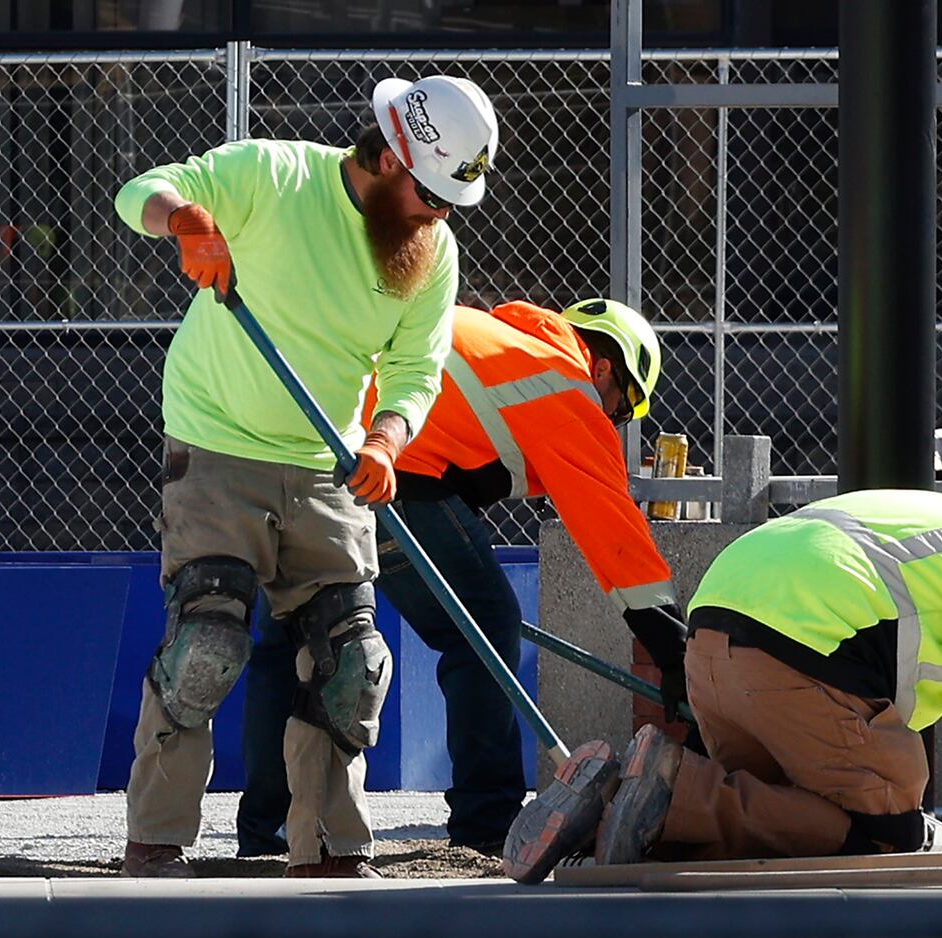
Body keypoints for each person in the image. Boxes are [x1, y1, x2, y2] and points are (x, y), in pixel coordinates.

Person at [114, 73, 498, 878]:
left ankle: (326, 852)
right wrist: (183, 220)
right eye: (433, 197)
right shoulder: (274, 174)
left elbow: (414, 369)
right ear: (392, 160)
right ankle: (154, 844)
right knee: (207, 642)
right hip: (218, 441)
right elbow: (143, 190)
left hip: (329, 461)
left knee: (350, 661)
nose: (441, 216)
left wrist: (388, 443)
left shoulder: (431, 251)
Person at [236, 297, 688, 857]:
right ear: (604, 369)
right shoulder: (565, 385)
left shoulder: (495, 341)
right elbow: (615, 536)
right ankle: (487, 822)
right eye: (620, 410)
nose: (612, 425)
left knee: (291, 639)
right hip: (393, 473)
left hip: (295, 452)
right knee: (486, 628)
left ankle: (264, 832)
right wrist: (674, 652)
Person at [502, 489, 942, 883]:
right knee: (888, 831)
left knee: (787, 814)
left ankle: (615, 801)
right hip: (794, 656)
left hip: (710, 638)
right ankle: (677, 793)